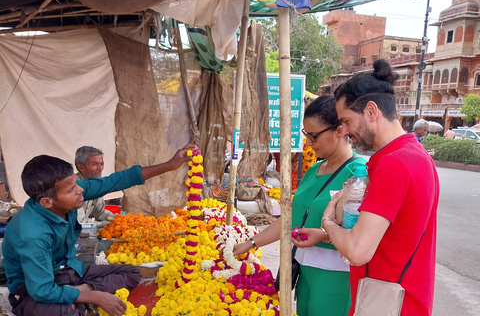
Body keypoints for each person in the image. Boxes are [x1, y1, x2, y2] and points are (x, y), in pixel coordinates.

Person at [293, 59, 439, 316]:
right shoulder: (414, 155)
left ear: (371, 111)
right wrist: (328, 234)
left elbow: (358, 251)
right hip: (400, 298)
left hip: (387, 301)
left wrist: (328, 221)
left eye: (347, 121)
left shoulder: (394, 164)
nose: (346, 132)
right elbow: (389, 234)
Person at [2, 144, 195, 316]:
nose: (79, 190)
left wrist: (170, 165)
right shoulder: (33, 234)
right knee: (64, 311)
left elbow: (114, 181)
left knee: (132, 273)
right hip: (31, 290)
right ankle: (78, 298)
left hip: (67, 272)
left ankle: (80, 293)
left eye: (76, 184)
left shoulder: (65, 197)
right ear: (46, 201)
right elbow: (42, 290)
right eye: (71, 190)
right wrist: (96, 297)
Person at [233, 96, 366, 316]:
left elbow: (362, 233)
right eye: (307, 135)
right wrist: (251, 242)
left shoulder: (359, 175)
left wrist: (324, 235)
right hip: (303, 270)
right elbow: (291, 218)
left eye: (314, 136)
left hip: (336, 274)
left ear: (340, 130)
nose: (309, 143)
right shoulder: (314, 170)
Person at [74, 146, 115, 225]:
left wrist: (118, 218)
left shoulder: (96, 184)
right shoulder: (73, 186)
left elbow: (99, 212)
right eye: (95, 164)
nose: (100, 168)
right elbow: (80, 223)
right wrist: (109, 224)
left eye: (102, 164)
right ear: (81, 167)